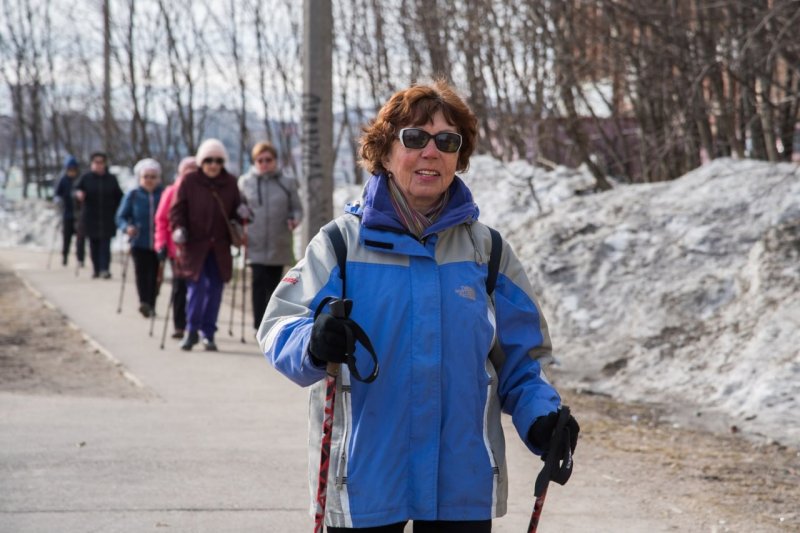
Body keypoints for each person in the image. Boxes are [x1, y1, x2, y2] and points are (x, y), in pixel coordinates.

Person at [257, 80, 580, 532]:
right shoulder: (341, 245)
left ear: (458, 159)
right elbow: (277, 326)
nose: (432, 151)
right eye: (415, 137)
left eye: (448, 141)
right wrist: (312, 342)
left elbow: (523, 363)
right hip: (364, 479)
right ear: (385, 152)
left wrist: (542, 418)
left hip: (460, 484)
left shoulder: (487, 253)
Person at [169, 139, 244, 352]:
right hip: (194, 245)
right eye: (209, 160)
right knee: (197, 287)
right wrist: (178, 228)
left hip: (219, 246)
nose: (213, 164)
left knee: (216, 290)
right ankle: (191, 331)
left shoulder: (230, 182)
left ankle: (208, 334)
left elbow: (236, 209)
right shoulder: (189, 181)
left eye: (218, 160)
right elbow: (176, 210)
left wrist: (242, 214)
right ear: (201, 161)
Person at [238, 141, 302, 331]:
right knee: (257, 281)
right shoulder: (245, 182)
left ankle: (271, 322)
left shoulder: (286, 182)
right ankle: (258, 324)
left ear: (275, 160)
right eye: (260, 160)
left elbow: (297, 209)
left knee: (274, 286)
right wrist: (241, 217)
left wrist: (294, 219)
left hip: (278, 241)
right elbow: (238, 207)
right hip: (254, 241)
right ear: (254, 162)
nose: (264, 163)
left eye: (268, 159)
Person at [154, 156, 197, 338]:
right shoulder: (172, 191)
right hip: (176, 249)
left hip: (197, 248)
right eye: (187, 170)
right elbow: (161, 220)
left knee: (197, 288)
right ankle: (180, 325)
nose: (191, 173)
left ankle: (195, 324)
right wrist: (161, 243)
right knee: (179, 286)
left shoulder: (202, 192)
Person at [115, 158, 164, 318]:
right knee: (142, 273)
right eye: (146, 177)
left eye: (153, 176)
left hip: (159, 242)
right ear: (140, 178)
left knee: (156, 275)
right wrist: (126, 228)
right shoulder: (134, 195)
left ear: (158, 178)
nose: (149, 180)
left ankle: (152, 303)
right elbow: (121, 217)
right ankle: (144, 302)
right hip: (139, 241)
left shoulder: (163, 194)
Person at [74, 152, 123, 279]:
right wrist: (78, 195)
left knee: (105, 244)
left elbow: (119, 197)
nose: (99, 165)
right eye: (96, 162)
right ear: (92, 164)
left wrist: (119, 212)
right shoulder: (86, 178)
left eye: (101, 162)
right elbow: (75, 191)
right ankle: (96, 268)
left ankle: (104, 269)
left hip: (107, 216)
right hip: (90, 217)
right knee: (94, 244)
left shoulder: (111, 179)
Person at [53, 156, 85, 266]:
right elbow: (57, 194)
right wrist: (59, 201)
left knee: (80, 238)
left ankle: (80, 259)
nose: (72, 172)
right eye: (70, 169)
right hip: (67, 213)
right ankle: (65, 256)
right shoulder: (63, 180)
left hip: (79, 214)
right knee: (66, 238)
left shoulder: (80, 179)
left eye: (73, 169)